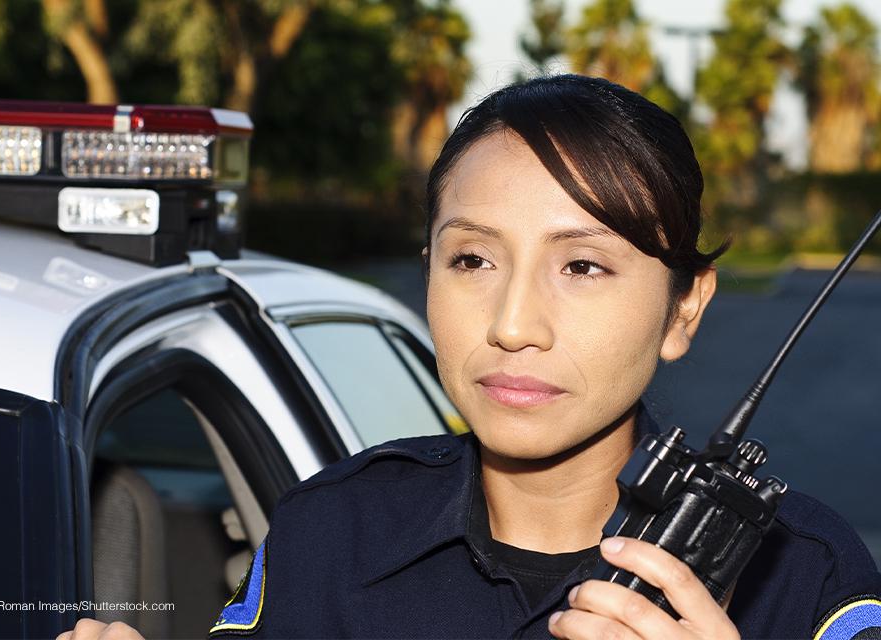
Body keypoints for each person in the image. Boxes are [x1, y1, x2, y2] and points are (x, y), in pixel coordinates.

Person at [59, 75, 881, 640]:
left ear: (683, 308)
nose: (514, 323)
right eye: (473, 260)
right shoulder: (329, 534)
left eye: (584, 266)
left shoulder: (805, 578)